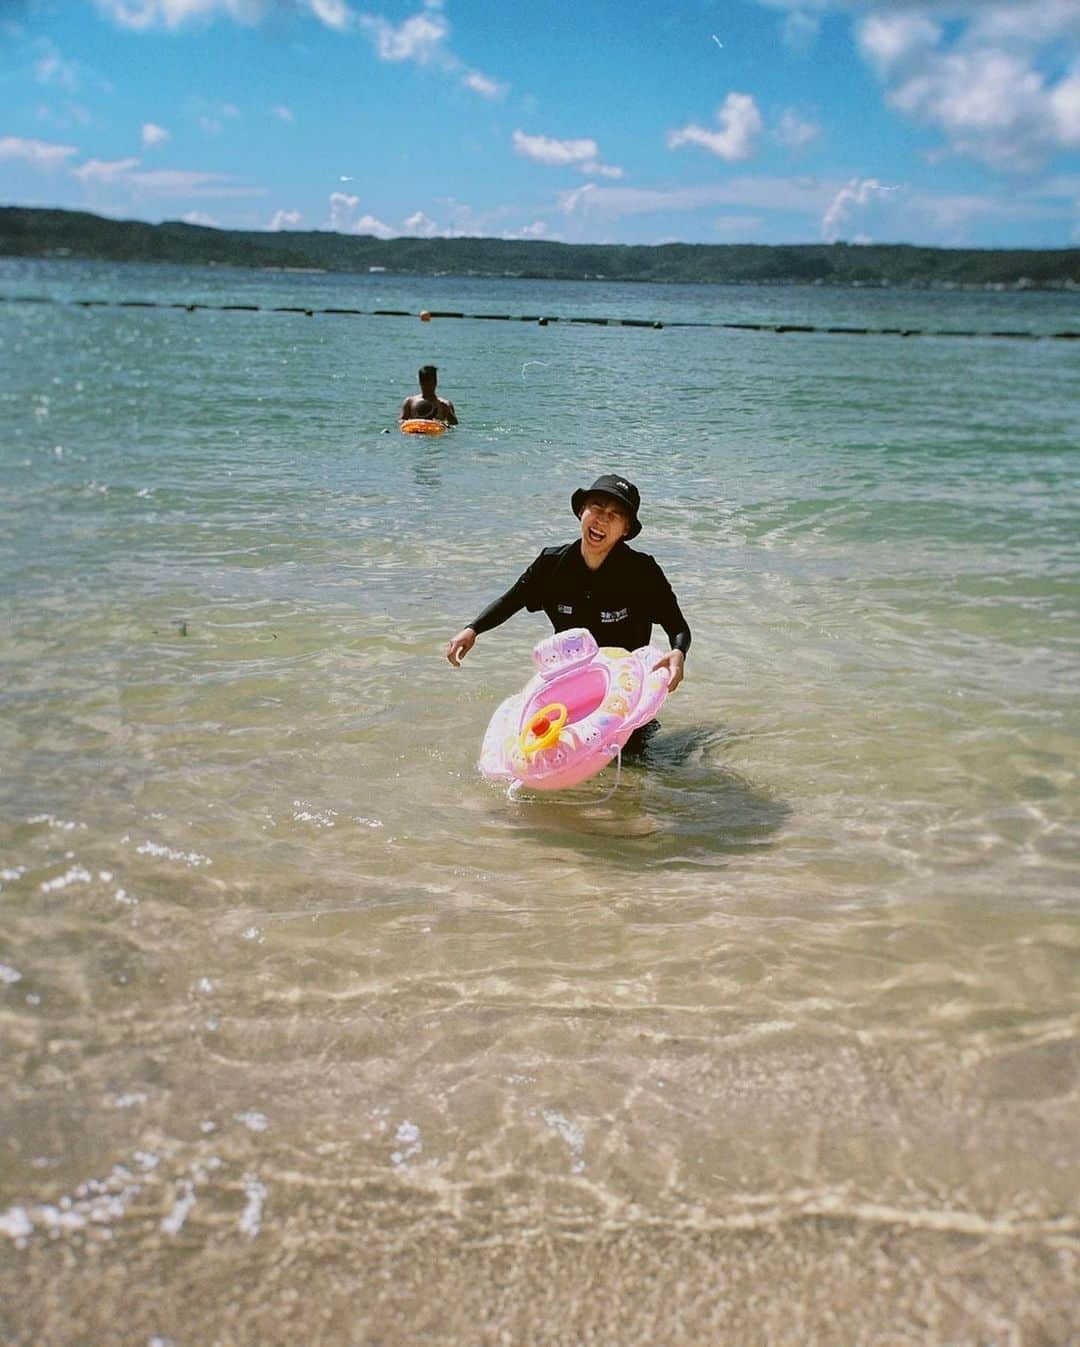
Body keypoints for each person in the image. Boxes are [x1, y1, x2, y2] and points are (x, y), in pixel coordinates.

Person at [446, 475, 689, 706]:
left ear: (626, 529)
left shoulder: (642, 572)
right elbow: (512, 601)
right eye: (597, 507)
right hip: (569, 681)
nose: (602, 519)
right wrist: (473, 629)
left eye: (615, 515)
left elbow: (677, 626)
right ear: (581, 511)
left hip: (624, 687)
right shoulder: (552, 565)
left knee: (638, 748)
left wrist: (678, 652)